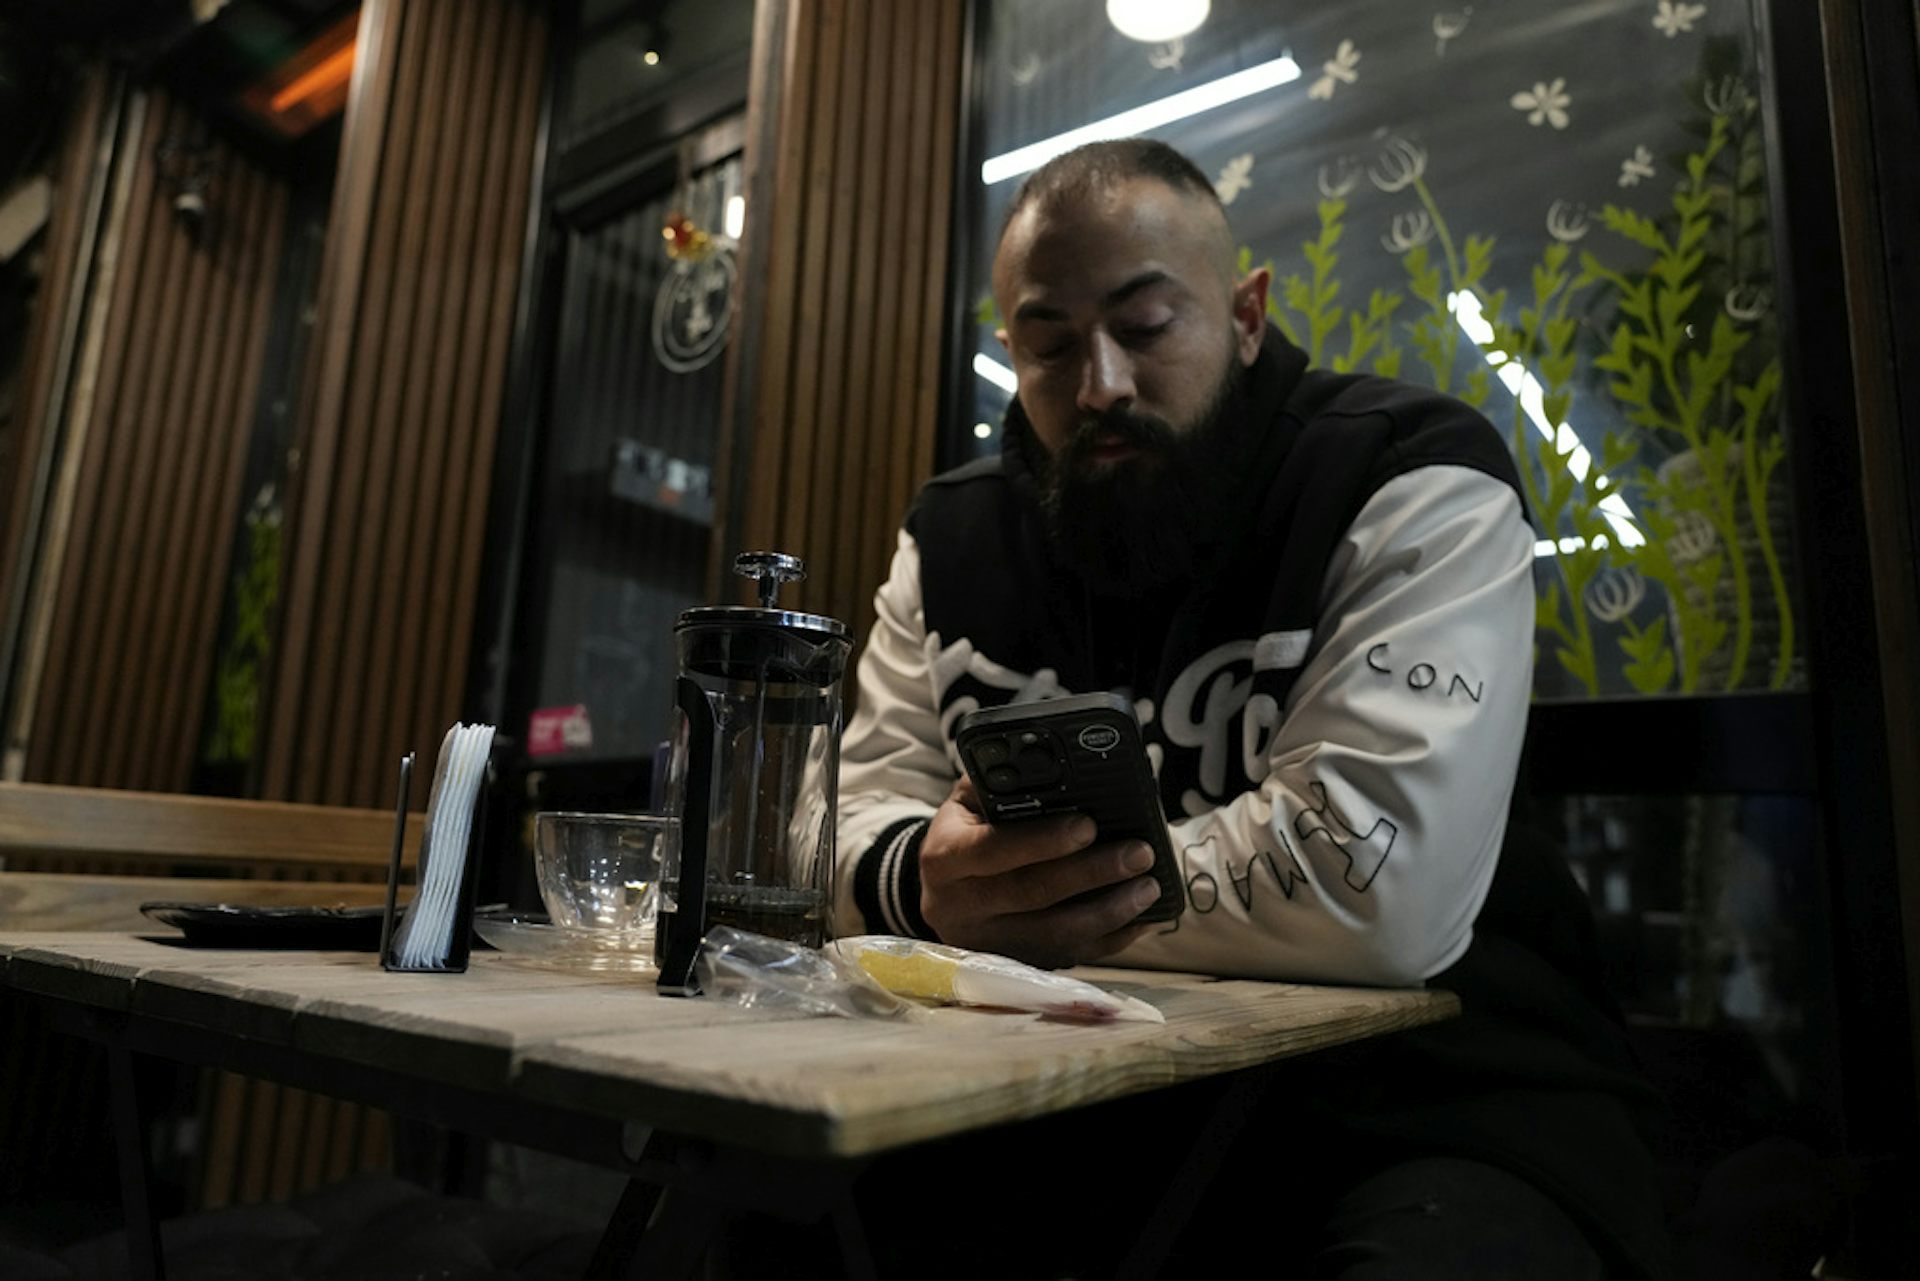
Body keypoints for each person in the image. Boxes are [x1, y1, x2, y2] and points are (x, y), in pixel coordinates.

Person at [830, 138, 1667, 1278]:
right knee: (784, 1230)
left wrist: (995, 909)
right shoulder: (953, 536)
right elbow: (845, 825)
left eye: (1145, 324)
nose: (1100, 384)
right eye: (1050, 343)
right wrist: (920, 883)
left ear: (1246, 315)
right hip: (1058, 1112)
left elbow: (1378, 896)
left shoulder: (1411, 476)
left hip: (1433, 1103)